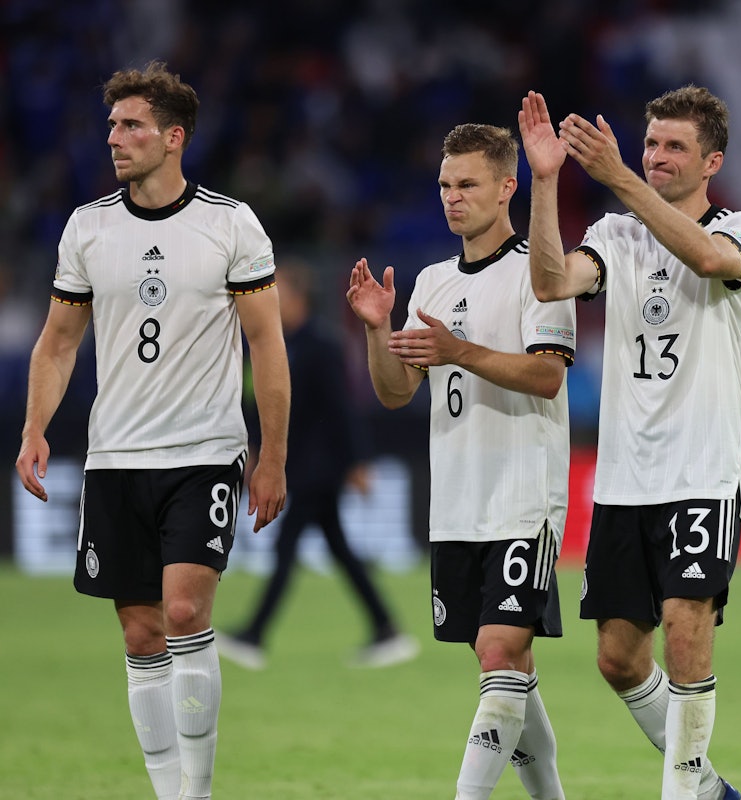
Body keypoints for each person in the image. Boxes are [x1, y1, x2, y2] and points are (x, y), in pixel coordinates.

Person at [15, 61, 290, 800]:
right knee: (140, 635)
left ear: (173, 138)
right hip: (115, 457)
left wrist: (271, 457)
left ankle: (196, 793)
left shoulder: (230, 224)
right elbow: (58, 342)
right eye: (112, 124)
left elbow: (266, 343)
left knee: (183, 612)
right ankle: (171, 794)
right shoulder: (88, 226)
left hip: (204, 452)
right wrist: (35, 426)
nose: (115, 137)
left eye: (131, 125)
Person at [519, 86, 741, 800]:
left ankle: (678, 794)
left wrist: (620, 175)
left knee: (687, 639)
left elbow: (709, 261)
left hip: (701, 472)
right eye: (650, 143)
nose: (656, 156)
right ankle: (709, 788)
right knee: (619, 659)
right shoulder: (613, 235)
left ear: (711, 160)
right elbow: (550, 280)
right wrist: (543, 181)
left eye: (673, 147)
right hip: (624, 479)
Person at [346, 123, 575, 800]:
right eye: (445, 185)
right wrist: (377, 330)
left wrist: (460, 352)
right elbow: (395, 394)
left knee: (499, 651)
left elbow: (546, 378)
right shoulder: (432, 283)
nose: (452, 197)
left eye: (467, 184)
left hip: (522, 494)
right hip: (457, 502)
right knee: (508, 666)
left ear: (508, 187)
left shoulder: (541, 270)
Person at [217, 260, 418, 670]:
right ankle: (386, 628)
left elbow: (343, 408)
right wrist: (255, 447)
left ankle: (254, 634)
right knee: (338, 550)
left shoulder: (321, 345)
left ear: (298, 298)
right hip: (301, 464)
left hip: (319, 466)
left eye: (280, 294)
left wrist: (357, 462)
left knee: (288, 547)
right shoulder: (277, 344)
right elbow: (260, 406)